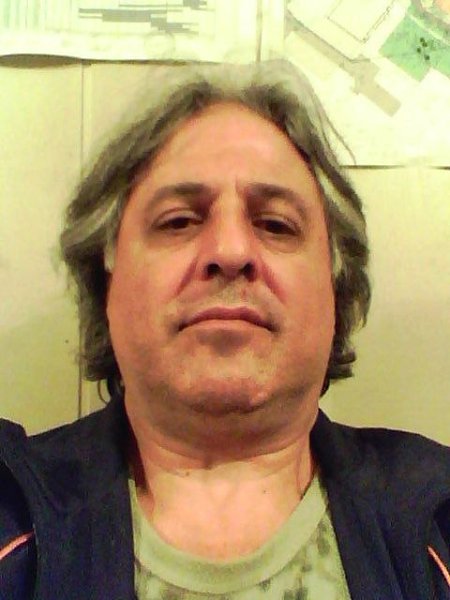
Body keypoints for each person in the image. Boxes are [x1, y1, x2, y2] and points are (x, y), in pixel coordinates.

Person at [0, 60, 449, 600]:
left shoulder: (438, 516)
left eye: (276, 224)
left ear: (336, 288)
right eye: (179, 221)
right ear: (107, 280)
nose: (232, 251)